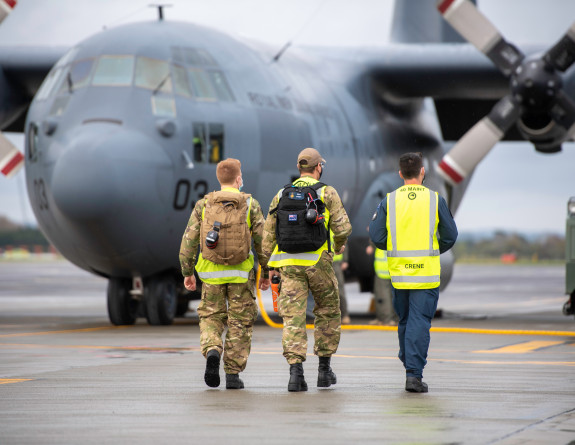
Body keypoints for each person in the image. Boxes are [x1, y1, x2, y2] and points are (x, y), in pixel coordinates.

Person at [262, 147, 352, 392]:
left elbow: (268, 235)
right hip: (318, 263)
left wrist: (268, 266)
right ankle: (324, 371)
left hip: (289, 265)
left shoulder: (281, 194)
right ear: (318, 167)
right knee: (328, 312)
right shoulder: (326, 192)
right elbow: (343, 228)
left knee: (293, 319)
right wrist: (337, 246)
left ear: (299, 168)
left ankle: (295, 374)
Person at [369, 152, 457, 393]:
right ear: (422, 172)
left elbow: (376, 236)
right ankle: (413, 375)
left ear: (400, 174)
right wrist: (434, 249)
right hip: (425, 274)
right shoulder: (434, 199)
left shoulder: (389, 200)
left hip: (399, 274)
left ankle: (407, 357)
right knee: (419, 322)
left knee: (405, 320)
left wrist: (397, 248)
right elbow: (451, 235)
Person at [179, 158, 270, 390]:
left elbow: (188, 240)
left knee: (211, 317)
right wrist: (266, 272)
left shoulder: (204, 204)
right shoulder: (250, 204)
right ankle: (232, 375)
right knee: (240, 322)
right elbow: (264, 242)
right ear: (238, 179)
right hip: (240, 275)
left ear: (219, 180)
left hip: (210, 275)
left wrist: (187, 272)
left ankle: (212, 350)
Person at [366, 245, 397, 326]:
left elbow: (376, 237)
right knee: (394, 295)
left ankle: (386, 320)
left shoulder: (382, 234)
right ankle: (393, 318)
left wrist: (371, 244)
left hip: (383, 270)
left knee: (383, 296)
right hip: (395, 268)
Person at [332, 231, 351, 325]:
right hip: (323, 262)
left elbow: (344, 242)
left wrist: (345, 260)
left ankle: (345, 315)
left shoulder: (334, 226)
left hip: (335, 264)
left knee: (340, 290)